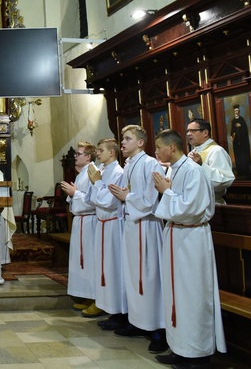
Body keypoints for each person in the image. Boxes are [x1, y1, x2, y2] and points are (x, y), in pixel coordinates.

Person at [152, 129, 227, 367]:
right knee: (176, 295)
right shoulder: (174, 169)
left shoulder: (194, 171)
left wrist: (166, 192)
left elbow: (190, 209)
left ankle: (197, 354)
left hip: (192, 239)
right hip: (176, 236)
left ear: (171, 148)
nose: (156, 152)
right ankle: (180, 348)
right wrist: (167, 191)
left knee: (192, 295)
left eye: (158, 148)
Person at [108, 126, 167, 353]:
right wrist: (124, 198)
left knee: (149, 278)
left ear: (141, 143)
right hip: (131, 225)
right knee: (133, 276)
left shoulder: (150, 164)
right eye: (122, 139)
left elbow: (150, 200)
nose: (123, 143)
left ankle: (158, 329)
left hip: (147, 227)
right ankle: (139, 322)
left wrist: (126, 196)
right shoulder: (130, 165)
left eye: (128, 139)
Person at [86, 138, 127, 327]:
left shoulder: (118, 173)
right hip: (102, 223)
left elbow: (109, 202)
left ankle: (119, 313)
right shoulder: (102, 171)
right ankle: (109, 309)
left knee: (113, 270)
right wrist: (94, 182)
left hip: (113, 226)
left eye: (100, 150)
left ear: (112, 152)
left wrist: (97, 184)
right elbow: (93, 199)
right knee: (104, 269)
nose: (97, 153)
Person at [60, 142, 99, 316]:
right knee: (81, 260)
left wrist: (74, 193)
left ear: (89, 157)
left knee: (90, 260)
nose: (75, 156)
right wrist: (73, 193)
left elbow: (93, 200)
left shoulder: (93, 172)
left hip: (90, 221)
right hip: (80, 221)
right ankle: (87, 295)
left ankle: (96, 298)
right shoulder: (83, 172)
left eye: (79, 153)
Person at [187, 118, 234, 205]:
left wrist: (202, 165)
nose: (188, 134)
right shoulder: (192, 153)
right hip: (194, 204)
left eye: (193, 131)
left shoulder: (216, 151)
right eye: (188, 131)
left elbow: (225, 179)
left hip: (212, 205)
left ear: (205, 132)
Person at [229, 104, 251, 178]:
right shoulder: (233, 121)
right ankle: (240, 170)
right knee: (238, 155)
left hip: (243, 142)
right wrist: (231, 137)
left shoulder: (242, 120)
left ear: (239, 111)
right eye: (235, 111)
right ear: (234, 112)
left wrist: (240, 126)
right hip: (236, 142)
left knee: (244, 155)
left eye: (237, 111)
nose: (236, 112)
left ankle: (246, 169)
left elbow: (245, 130)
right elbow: (232, 131)